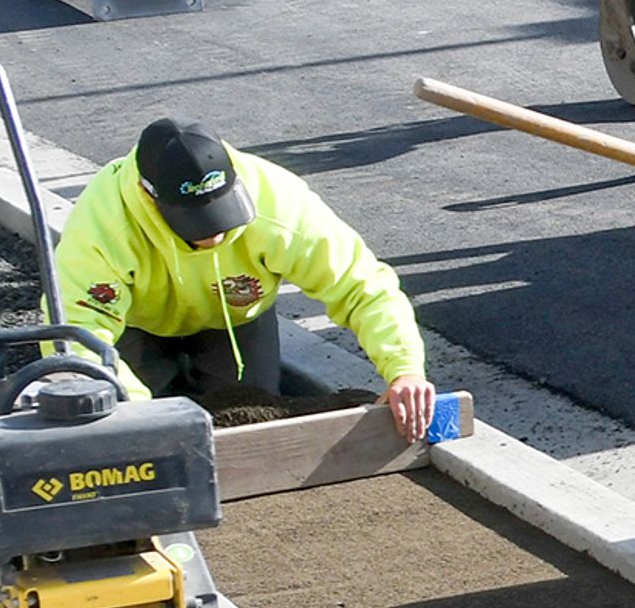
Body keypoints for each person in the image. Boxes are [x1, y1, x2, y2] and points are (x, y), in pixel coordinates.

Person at [50, 118, 438, 438]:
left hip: (235, 318)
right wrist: (140, 417)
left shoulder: (279, 202)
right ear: (147, 196)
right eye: (193, 222)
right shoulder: (103, 225)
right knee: (129, 423)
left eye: (221, 214)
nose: (214, 235)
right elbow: (77, 331)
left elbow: (362, 287)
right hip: (134, 324)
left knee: (255, 416)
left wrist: (404, 370)